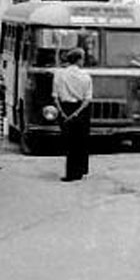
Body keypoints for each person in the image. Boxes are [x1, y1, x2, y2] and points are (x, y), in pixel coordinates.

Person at [53, 47, 93, 182]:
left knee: (69, 142)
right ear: (79, 60)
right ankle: (80, 169)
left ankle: (70, 172)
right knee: (81, 140)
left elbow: (55, 96)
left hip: (65, 107)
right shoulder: (85, 76)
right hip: (80, 109)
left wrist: (62, 112)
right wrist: (77, 112)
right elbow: (87, 99)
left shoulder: (59, 74)